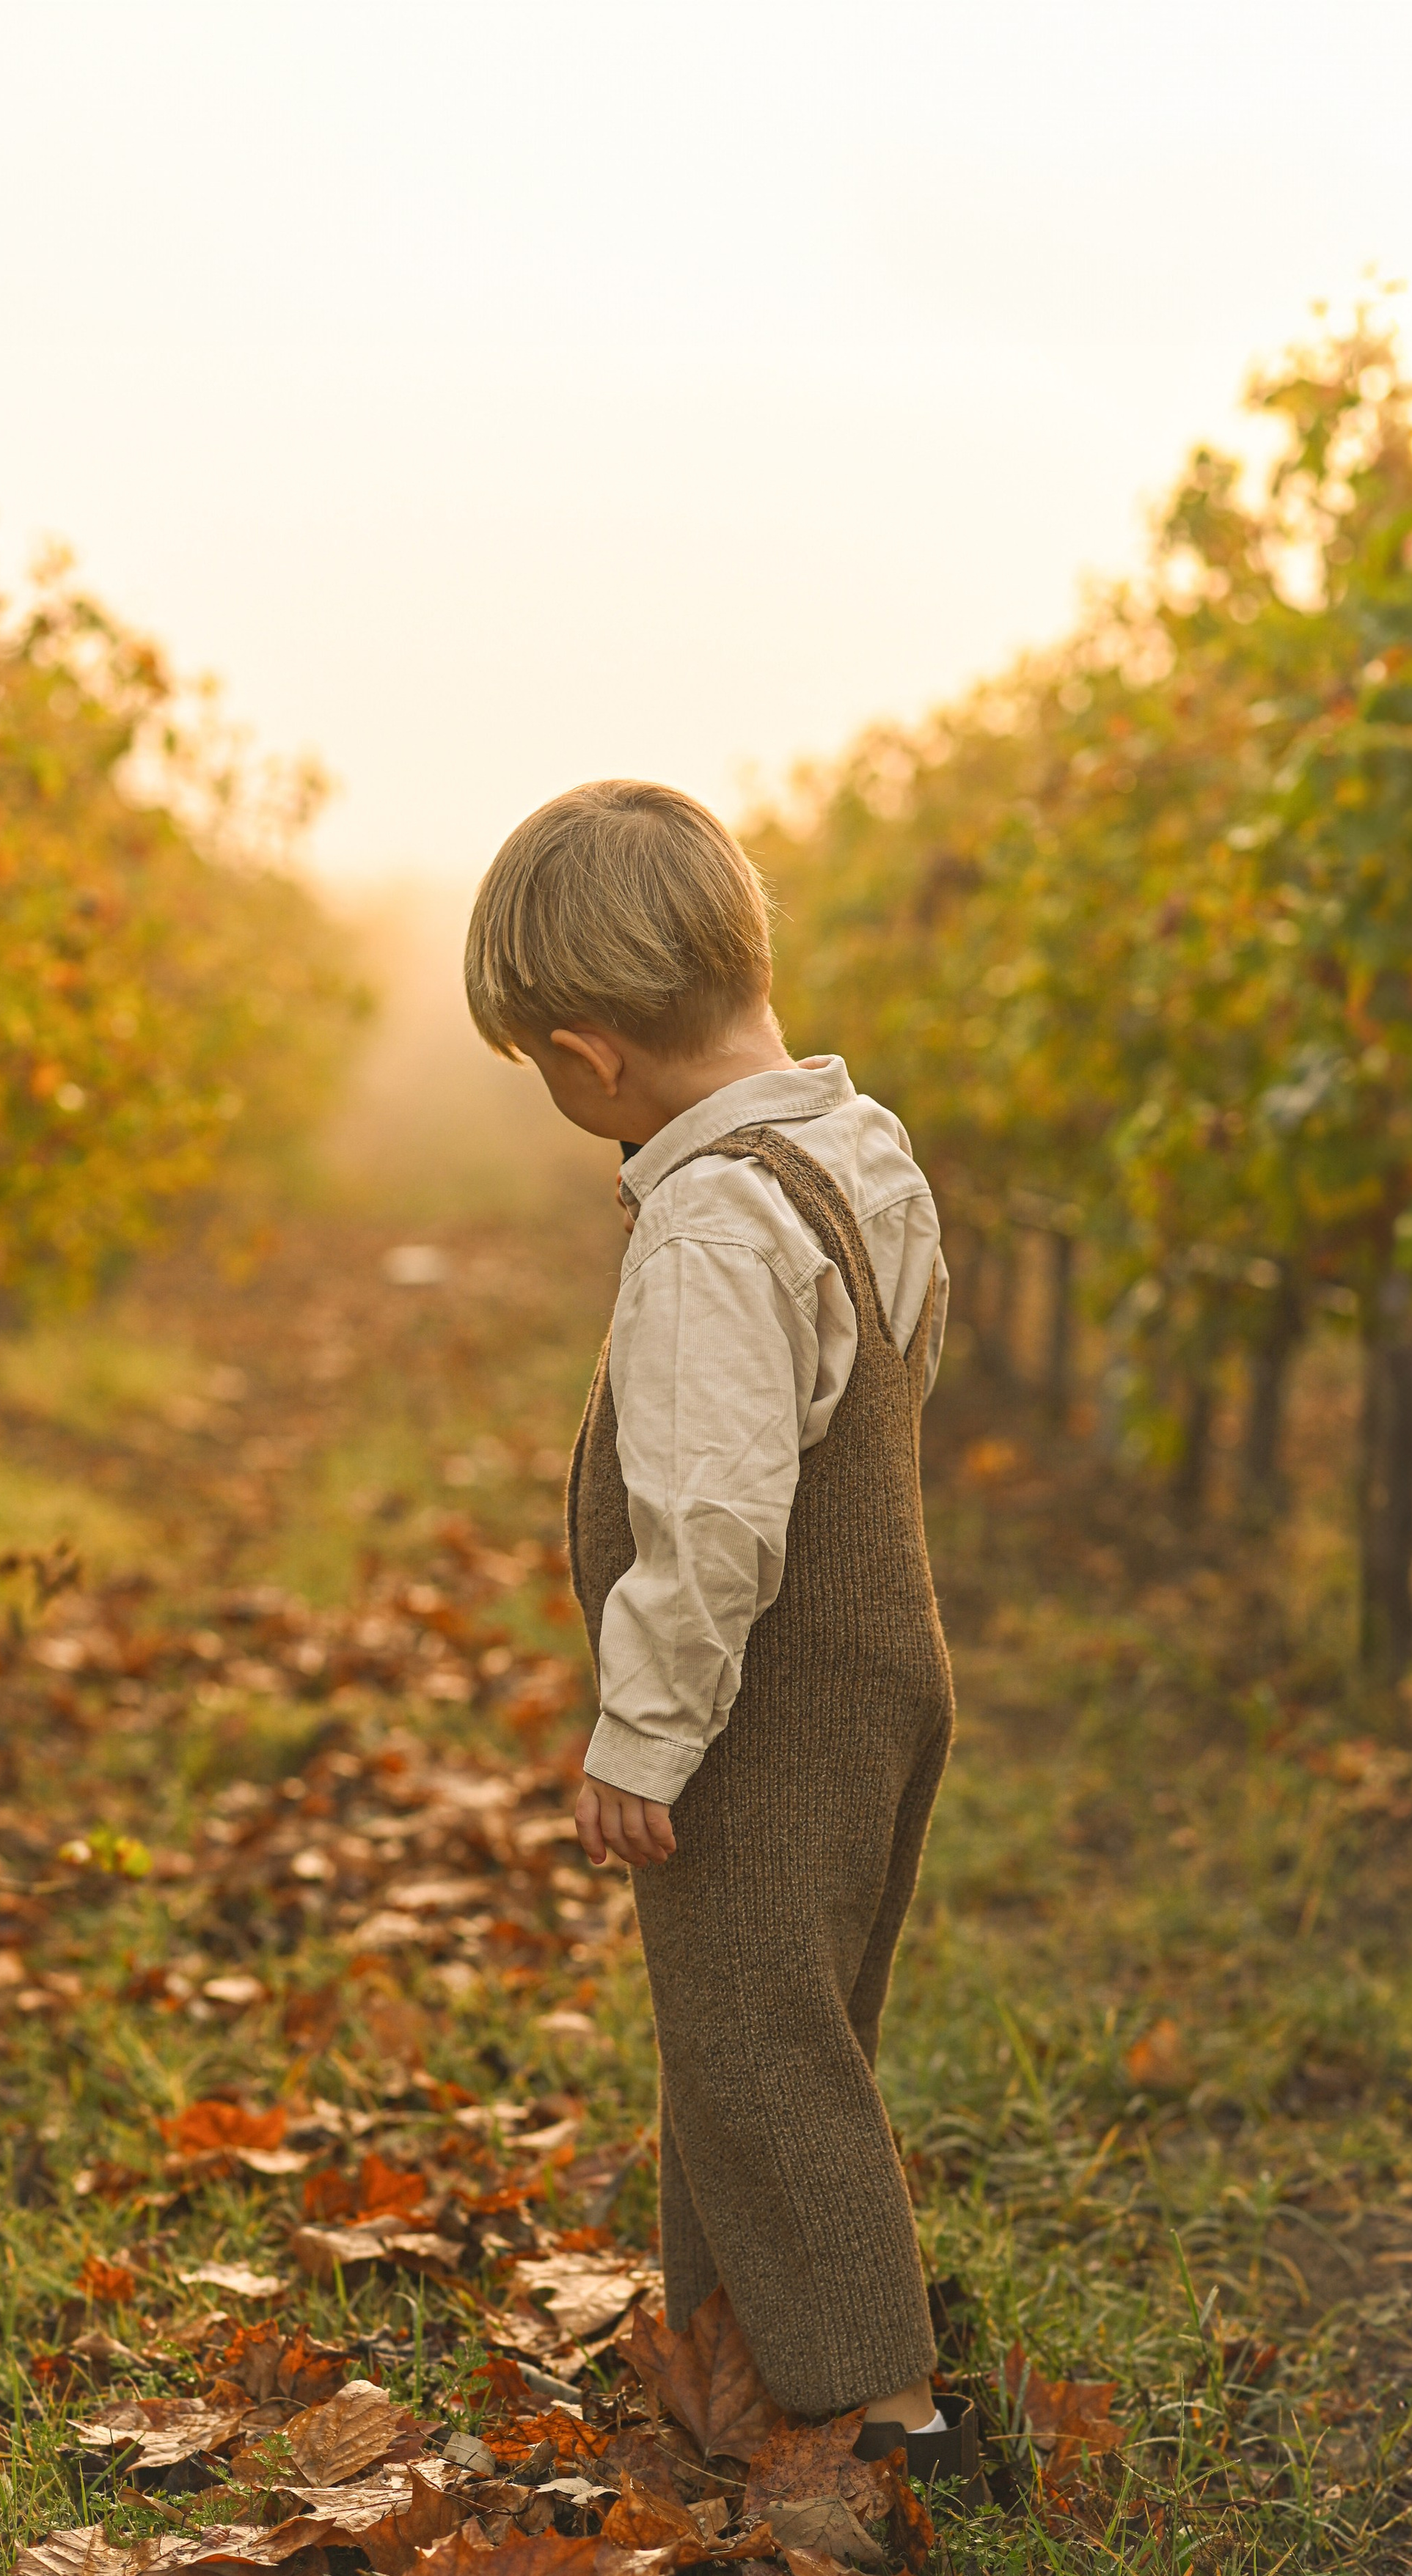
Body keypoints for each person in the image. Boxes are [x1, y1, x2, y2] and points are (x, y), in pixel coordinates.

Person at [464, 777, 979, 2489]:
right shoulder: (854, 1144)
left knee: (759, 2044)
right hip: (879, 1671)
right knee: (761, 2018)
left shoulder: (704, 1226)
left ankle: (877, 2415)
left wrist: (644, 1731)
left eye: (538, 1069)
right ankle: (734, 2354)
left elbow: (710, 1516)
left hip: (757, 1704)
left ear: (588, 1057)